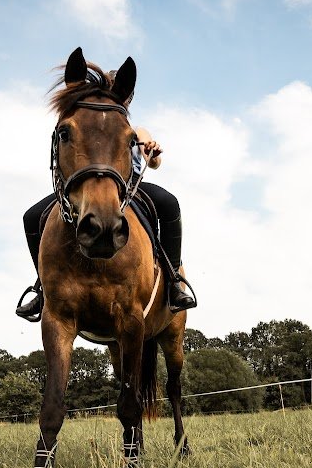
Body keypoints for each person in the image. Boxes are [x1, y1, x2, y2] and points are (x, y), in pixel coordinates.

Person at [16, 80, 196, 322]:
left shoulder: (136, 130)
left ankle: (174, 280)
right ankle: (43, 288)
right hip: (90, 185)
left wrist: (152, 153)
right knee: (32, 217)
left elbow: (154, 163)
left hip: (128, 187)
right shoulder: (87, 121)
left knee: (169, 203)